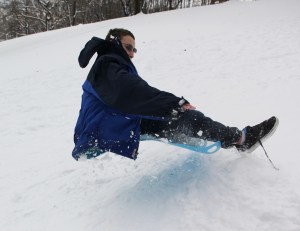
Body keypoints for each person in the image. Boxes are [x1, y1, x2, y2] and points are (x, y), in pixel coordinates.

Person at [72, 28, 278, 161]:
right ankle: (241, 139)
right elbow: (131, 91)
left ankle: (188, 130)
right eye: (128, 47)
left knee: (175, 119)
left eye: (135, 49)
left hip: (112, 120)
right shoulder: (108, 63)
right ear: (114, 42)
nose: (132, 53)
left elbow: (130, 92)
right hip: (104, 125)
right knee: (185, 117)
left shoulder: (109, 64)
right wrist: (173, 103)